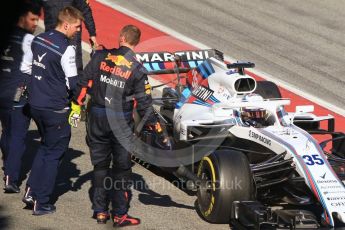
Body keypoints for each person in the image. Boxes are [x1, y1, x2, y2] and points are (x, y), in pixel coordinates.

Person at [72, 25, 164, 227]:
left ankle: (100, 212)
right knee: (122, 168)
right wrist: (156, 128)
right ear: (135, 43)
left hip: (96, 116)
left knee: (100, 166)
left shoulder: (99, 57)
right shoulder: (137, 69)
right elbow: (144, 104)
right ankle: (120, 214)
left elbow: (83, 82)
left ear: (121, 38)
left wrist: (76, 106)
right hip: (119, 120)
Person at [20, 6, 83, 215]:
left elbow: (27, 68)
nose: (77, 31)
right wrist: (77, 102)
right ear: (66, 24)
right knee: (55, 152)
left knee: (46, 147)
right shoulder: (67, 48)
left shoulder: (38, 39)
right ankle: (41, 200)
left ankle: (30, 191)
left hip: (35, 105)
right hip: (55, 108)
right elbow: (74, 83)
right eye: (76, 27)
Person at [0, 0, 41, 193]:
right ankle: (11, 176)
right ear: (22, 17)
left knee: (7, 131)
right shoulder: (30, 41)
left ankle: (8, 164)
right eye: (33, 19)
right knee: (17, 134)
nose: (35, 24)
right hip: (16, 93)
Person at [42, 0, 98, 74]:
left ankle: (76, 83)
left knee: (75, 64)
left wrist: (92, 34)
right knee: (51, 63)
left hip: (72, 33)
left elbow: (85, 9)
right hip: (52, 33)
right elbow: (33, 8)